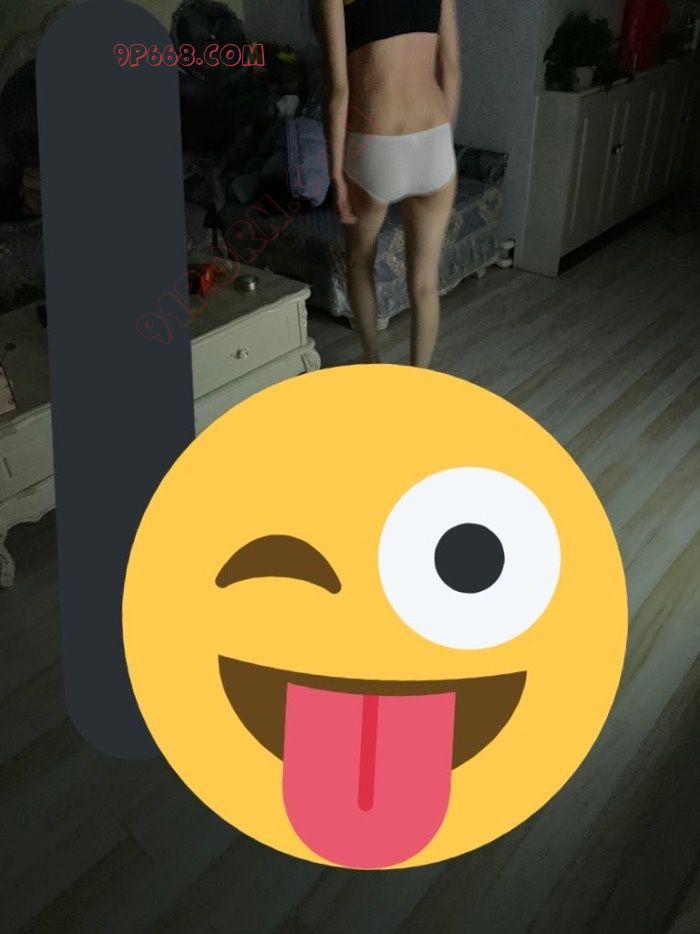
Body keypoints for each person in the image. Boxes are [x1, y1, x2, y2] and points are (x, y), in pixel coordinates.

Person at [316, 0, 461, 367]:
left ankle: (373, 361)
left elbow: (338, 90)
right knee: (425, 283)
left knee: (359, 261)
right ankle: (417, 383)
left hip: (377, 143)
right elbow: (451, 70)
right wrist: (442, 141)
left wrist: (336, 173)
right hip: (434, 137)